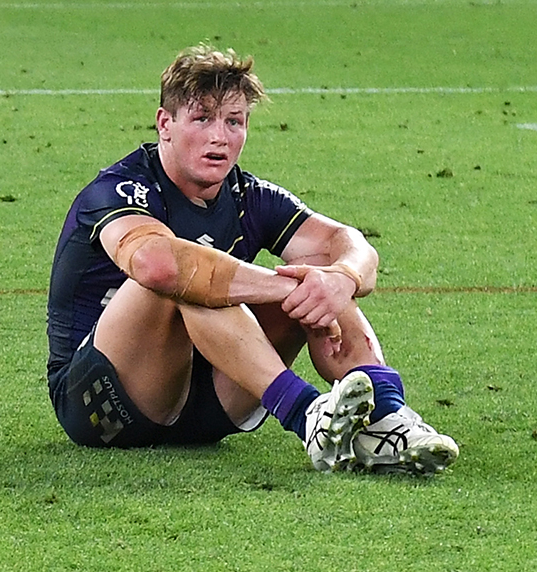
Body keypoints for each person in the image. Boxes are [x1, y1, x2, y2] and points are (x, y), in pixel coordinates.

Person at [46, 44, 457, 474]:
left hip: (208, 406)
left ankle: (388, 424)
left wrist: (342, 279)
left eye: (234, 121)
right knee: (190, 275)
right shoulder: (121, 187)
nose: (219, 136)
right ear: (165, 124)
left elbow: (349, 244)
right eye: (202, 118)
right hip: (102, 406)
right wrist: (285, 287)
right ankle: (306, 416)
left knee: (321, 276)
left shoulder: (249, 195)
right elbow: (157, 265)